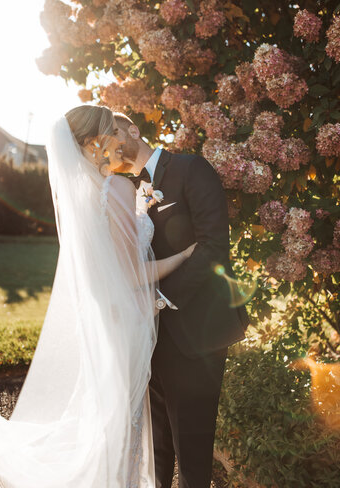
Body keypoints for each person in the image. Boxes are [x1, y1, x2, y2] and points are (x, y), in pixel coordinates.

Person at [0, 105, 194, 488]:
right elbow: (131, 273)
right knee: (123, 415)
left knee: (110, 413)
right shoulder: (119, 188)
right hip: (126, 320)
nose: (120, 138)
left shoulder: (90, 191)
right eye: (113, 130)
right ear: (95, 142)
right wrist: (185, 255)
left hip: (106, 317)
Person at [114, 112, 250, 488]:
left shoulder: (191, 169)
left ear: (134, 130)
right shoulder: (125, 189)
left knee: (191, 449)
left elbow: (214, 248)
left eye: (112, 131)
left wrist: (159, 299)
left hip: (196, 334)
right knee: (157, 448)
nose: (107, 142)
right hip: (149, 337)